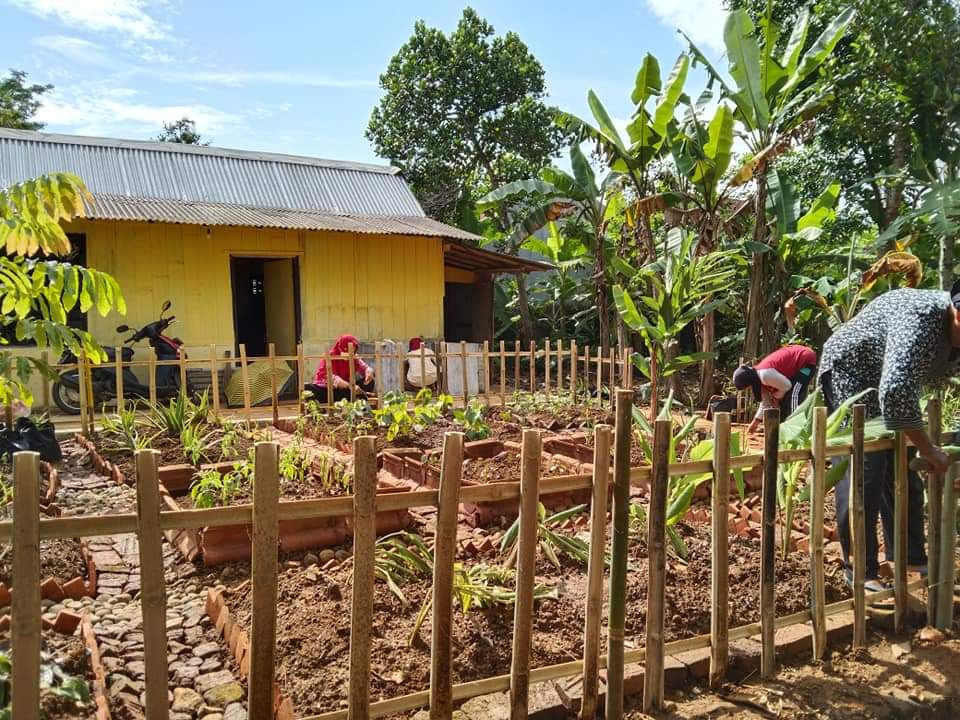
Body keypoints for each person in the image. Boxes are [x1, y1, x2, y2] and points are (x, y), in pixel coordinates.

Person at [819, 286, 960, 592]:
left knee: (902, 468)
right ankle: (860, 569)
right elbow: (896, 389)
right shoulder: (921, 319)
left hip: (885, 379)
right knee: (865, 468)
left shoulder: (949, 326)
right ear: (956, 314)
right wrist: (929, 448)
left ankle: (909, 556)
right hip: (852, 372)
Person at [733, 344, 818, 434]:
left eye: (748, 387)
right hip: (797, 366)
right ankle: (785, 428)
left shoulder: (765, 375)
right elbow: (765, 404)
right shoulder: (762, 381)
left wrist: (777, 397)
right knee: (785, 400)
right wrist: (755, 423)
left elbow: (787, 386)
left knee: (794, 393)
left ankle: (796, 430)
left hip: (805, 363)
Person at [304, 335, 374, 402]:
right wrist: (350, 386)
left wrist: (369, 371)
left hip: (345, 389)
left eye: (352, 351)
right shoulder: (329, 356)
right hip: (328, 388)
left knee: (370, 382)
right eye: (346, 350)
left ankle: (358, 396)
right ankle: (357, 396)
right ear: (340, 348)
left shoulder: (354, 357)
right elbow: (328, 376)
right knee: (309, 389)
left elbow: (364, 367)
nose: (349, 353)